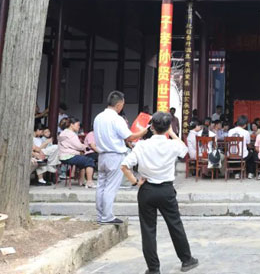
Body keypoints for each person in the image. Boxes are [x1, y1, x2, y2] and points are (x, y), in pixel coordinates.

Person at [121, 112, 199, 274]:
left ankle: (153, 268)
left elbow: (124, 166)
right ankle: (186, 260)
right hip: (166, 190)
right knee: (175, 224)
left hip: (147, 189)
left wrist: (135, 181)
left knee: (148, 230)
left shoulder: (142, 145)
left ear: (152, 127)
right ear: (168, 127)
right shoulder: (172, 145)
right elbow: (184, 150)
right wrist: (172, 133)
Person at [94, 90, 148, 225]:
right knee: (110, 187)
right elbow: (129, 137)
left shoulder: (98, 117)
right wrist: (144, 131)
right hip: (115, 155)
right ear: (119, 105)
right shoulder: (117, 119)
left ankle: (101, 215)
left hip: (102, 155)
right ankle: (107, 216)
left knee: (101, 186)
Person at [58, 117, 96, 188]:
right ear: (71, 125)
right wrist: (85, 147)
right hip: (69, 156)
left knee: (83, 160)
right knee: (89, 160)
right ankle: (89, 182)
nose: (79, 127)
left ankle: (82, 181)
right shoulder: (71, 134)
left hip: (63, 156)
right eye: (78, 125)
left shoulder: (63, 132)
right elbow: (78, 146)